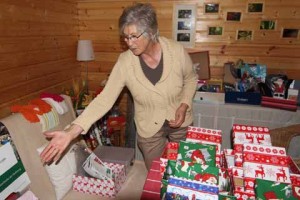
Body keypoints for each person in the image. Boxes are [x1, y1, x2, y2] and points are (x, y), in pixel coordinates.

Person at [40, 3, 197, 170]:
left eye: (134, 36)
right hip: (149, 128)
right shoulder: (125, 63)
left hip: (181, 122)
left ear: (151, 31)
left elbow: (191, 78)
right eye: (126, 37)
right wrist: (71, 132)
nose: (129, 43)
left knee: (184, 170)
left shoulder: (177, 51)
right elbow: (104, 100)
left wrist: (184, 104)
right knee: (157, 175)